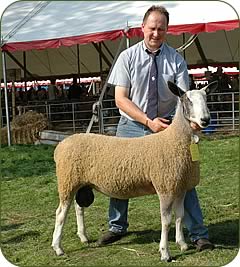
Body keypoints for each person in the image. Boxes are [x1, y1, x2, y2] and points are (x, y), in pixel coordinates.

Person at [97, 5, 214, 252]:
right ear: (143, 28)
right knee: (118, 172)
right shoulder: (127, 57)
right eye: (152, 28)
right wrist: (147, 121)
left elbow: (184, 98)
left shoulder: (176, 60)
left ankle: (197, 233)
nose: (156, 33)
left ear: (167, 30)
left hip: (167, 128)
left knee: (183, 177)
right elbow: (120, 98)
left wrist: (190, 123)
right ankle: (117, 226)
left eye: (161, 28)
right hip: (131, 124)